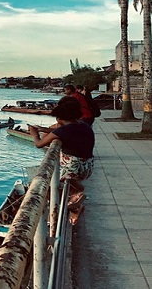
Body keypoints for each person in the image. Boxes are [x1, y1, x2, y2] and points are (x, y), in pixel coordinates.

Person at [28, 96, 95, 225]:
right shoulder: (84, 125)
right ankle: (75, 200)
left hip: (72, 168)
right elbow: (63, 131)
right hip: (87, 167)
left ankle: (76, 197)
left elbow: (39, 144)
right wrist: (44, 129)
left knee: (48, 188)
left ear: (59, 118)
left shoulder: (62, 131)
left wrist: (34, 134)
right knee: (66, 184)